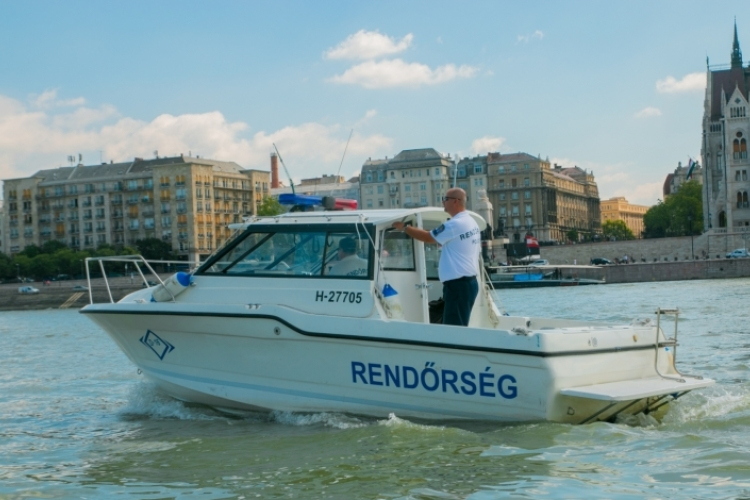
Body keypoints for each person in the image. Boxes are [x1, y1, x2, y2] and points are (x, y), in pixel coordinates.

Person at [392, 187, 480, 326]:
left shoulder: (454, 224)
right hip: (468, 283)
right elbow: (436, 235)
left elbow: (428, 237)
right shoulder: (470, 221)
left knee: (454, 329)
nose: (443, 202)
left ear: (455, 201)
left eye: (445, 199)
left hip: (458, 286)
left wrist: (404, 228)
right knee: (458, 325)